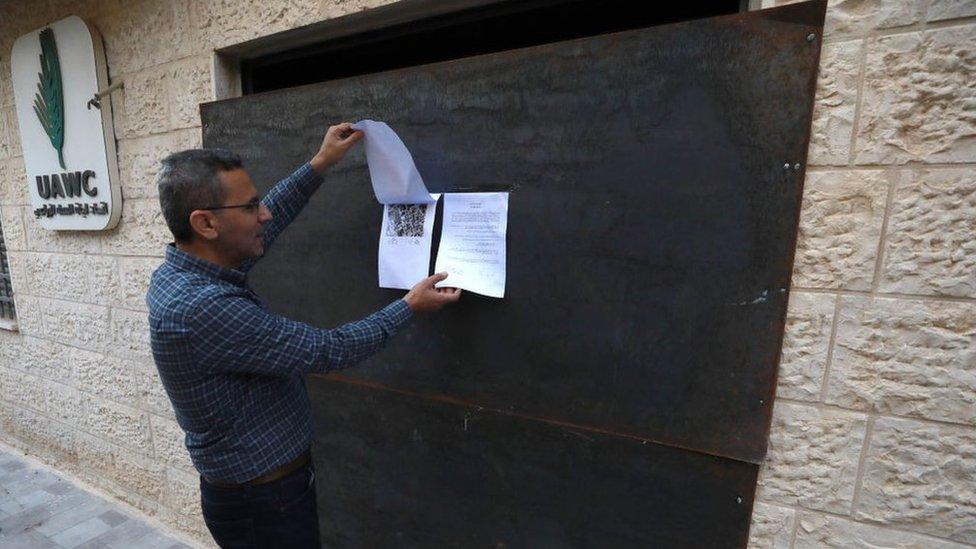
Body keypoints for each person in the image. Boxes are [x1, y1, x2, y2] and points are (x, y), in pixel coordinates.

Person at [146, 123, 460, 548]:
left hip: (263, 491)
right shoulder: (203, 307)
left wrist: (321, 163)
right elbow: (327, 350)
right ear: (205, 224)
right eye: (251, 206)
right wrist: (409, 306)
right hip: (263, 505)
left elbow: (267, 227)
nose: (264, 214)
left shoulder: (187, 271)